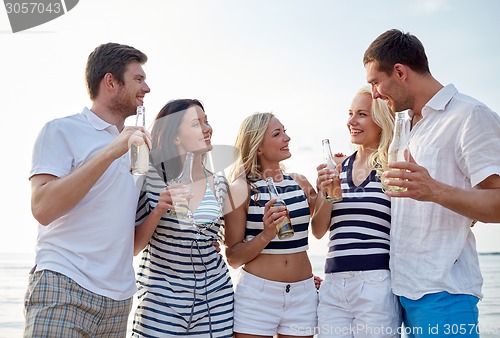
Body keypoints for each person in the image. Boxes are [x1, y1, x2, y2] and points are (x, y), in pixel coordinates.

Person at [363, 29, 500, 337]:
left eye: (375, 82)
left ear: (399, 72)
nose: (374, 93)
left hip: (445, 295)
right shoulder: (409, 126)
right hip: (401, 293)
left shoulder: (469, 115)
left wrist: (435, 190)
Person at [24, 43, 151, 337]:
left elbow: (127, 235)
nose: (147, 87)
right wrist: (111, 151)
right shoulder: (61, 130)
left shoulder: (139, 148)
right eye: (138, 79)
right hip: (63, 286)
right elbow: (42, 208)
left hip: (119, 301)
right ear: (110, 82)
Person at [131, 99, 234, 338]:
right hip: (161, 301)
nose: (208, 128)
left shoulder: (219, 182)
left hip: (216, 301)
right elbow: (135, 246)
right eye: (197, 124)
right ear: (175, 136)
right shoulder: (149, 178)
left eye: (206, 121)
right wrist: (158, 210)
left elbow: (230, 243)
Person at [312, 85, 401, 338]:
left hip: (376, 281)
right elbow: (318, 231)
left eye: (362, 114)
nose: (351, 121)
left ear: (382, 120)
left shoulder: (392, 166)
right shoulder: (336, 167)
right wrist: (328, 193)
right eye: (350, 113)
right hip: (333, 283)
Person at [224, 112, 318, 338]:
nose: (287, 138)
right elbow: (233, 258)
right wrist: (266, 234)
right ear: (258, 148)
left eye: (285, 131)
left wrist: (330, 182)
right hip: (258, 296)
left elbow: (323, 224)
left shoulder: (300, 182)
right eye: (277, 134)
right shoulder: (241, 189)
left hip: (303, 294)